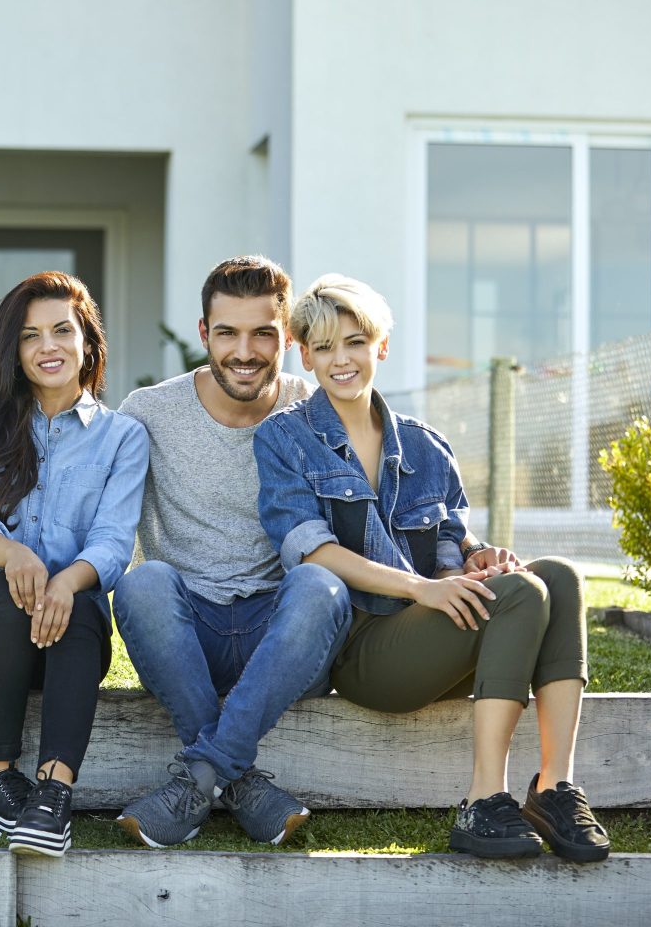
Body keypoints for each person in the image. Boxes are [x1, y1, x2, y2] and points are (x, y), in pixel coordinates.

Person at [253, 273, 609, 863]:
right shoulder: (284, 439)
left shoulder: (424, 445)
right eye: (323, 347)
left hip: (429, 631)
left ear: (381, 346)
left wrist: (476, 560)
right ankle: (483, 800)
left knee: (560, 578)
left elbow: (449, 548)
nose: (340, 360)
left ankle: (555, 788)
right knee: (521, 595)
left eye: (354, 342)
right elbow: (312, 552)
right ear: (305, 357)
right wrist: (421, 589)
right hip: (364, 646)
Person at [111, 255, 351, 849]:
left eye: (262, 333)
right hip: (188, 635)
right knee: (143, 582)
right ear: (203, 334)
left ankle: (201, 778)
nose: (244, 351)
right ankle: (238, 780)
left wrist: (466, 549)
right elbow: (87, 499)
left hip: (285, 639)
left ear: (288, 338)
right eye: (228, 333)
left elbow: (390, 497)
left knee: (322, 585)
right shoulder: (149, 412)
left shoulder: (317, 411)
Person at [0, 271, 148, 858]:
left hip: (63, 643)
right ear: (16, 349)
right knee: (11, 590)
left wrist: (67, 580)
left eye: (62, 330)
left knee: (79, 604)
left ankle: (53, 796)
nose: (47, 346)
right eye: (31, 336)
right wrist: (15, 554)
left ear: (88, 343)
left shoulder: (123, 438)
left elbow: (112, 540)